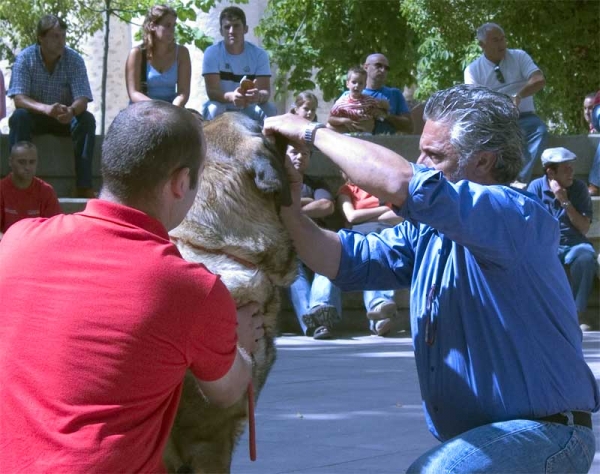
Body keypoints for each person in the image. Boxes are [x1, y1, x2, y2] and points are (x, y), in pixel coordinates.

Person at [264, 84, 598, 473]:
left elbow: (401, 183)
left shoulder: (514, 215)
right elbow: (340, 259)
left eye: (434, 155)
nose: (420, 162)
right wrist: (289, 200)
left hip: (548, 435)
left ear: (484, 163)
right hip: (487, 438)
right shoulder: (429, 231)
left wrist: (312, 131)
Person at [0, 101, 264, 471]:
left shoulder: (15, 242)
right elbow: (228, 391)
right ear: (180, 182)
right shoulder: (193, 290)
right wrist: (245, 347)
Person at [7, 14, 97, 198]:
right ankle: (17, 181)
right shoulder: (25, 58)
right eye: (55, 36)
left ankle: (83, 186)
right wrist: (45, 109)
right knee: (19, 117)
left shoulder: (74, 60)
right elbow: (19, 98)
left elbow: (83, 98)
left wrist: (71, 110)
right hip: (36, 115)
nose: (61, 41)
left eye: (63, 36)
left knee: (86, 120)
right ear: (41, 38)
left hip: (64, 117)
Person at [464, 22, 548, 187]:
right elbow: (475, 102)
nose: (502, 44)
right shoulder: (473, 70)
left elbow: (539, 80)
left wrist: (519, 96)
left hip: (525, 118)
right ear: (482, 45)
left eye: (503, 39)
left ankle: (518, 179)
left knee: (539, 131)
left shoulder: (519, 56)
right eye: (495, 40)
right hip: (496, 121)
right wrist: (501, 107)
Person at [527, 147, 597, 329]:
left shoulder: (579, 188)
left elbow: (583, 227)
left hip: (574, 243)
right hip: (546, 244)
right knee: (532, 259)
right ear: (551, 172)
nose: (571, 172)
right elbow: (529, 225)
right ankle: (544, 314)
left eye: (571, 167)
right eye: (566, 168)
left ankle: (577, 314)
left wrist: (564, 200)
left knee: (586, 257)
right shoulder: (535, 188)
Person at [286, 144, 342, 340]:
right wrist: (309, 204)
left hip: (317, 237)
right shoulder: (276, 183)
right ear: (284, 155)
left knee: (328, 263)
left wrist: (292, 211)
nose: (300, 157)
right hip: (288, 242)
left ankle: (318, 310)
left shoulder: (316, 183)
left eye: (305, 153)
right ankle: (318, 321)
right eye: (294, 152)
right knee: (293, 271)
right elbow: (271, 208)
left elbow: (326, 206)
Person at [337, 175, 403, 336]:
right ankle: (379, 309)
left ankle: (380, 316)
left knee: (383, 253)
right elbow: (351, 216)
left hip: (387, 232)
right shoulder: (347, 190)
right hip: (359, 234)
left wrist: (366, 215)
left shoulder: (387, 188)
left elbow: (400, 215)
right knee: (371, 253)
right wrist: (385, 210)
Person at [201, 6, 276, 124]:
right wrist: (232, 97)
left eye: (236, 26)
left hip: (249, 107)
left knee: (270, 109)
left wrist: (258, 96)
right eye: (227, 27)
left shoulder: (259, 54)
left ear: (245, 29)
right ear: (221, 31)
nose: (231, 31)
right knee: (213, 108)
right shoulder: (212, 53)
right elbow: (212, 92)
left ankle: (267, 142)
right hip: (223, 105)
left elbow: (265, 91)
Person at [125, 4, 191, 107]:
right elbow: (134, 93)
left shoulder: (182, 53)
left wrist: (174, 108)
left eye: (174, 25)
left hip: (173, 108)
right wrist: (157, 107)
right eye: (167, 25)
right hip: (143, 107)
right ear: (152, 26)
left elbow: (183, 92)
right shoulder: (137, 53)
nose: (172, 29)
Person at [0, 140, 61, 240]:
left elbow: (55, 228)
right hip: (6, 247)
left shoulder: (46, 191)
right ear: (10, 162)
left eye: (32, 162)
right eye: (22, 162)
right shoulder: (1, 188)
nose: (27, 167)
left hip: (36, 247)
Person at [361, 53, 413, 135]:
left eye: (386, 68)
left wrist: (386, 116)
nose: (383, 70)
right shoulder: (352, 94)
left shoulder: (395, 94)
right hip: (360, 144)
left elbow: (409, 128)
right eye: (378, 65)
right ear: (365, 67)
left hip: (386, 144)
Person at [327, 66, 388, 134]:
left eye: (360, 83)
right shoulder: (341, 102)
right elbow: (330, 119)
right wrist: (343, 120)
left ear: (365, 85)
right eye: (354, 82)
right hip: (347, 133)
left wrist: (379, 113)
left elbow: (382, 112)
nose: (357, 85)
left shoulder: (370, 100)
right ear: (347, 84)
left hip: (366, 133)